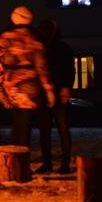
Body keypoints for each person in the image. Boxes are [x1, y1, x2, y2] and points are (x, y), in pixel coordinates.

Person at [0, 5, 55, 154]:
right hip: (31, 87)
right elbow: (41, 66)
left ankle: (17, 158)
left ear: (15, 18)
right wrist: (48, 89)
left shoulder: (5, 37)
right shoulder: (35, 38)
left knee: (17, 123)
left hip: (11, 87)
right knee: (25, 125)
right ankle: (21, 157)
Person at [36, 18, 75, 174]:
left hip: (56, 92)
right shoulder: (41, 48)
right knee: (47, 129)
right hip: (45, 93)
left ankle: (63, 163)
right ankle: (48, 163)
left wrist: (66, 87)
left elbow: (70, 70)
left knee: (61, 129)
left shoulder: (61, 48)